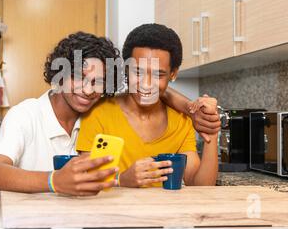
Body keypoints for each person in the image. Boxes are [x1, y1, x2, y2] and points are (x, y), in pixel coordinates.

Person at [0, 31, 219, 228]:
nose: (87, 89)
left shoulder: (92, 116)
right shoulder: (26, 114)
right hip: (6, 224)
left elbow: (152, 88)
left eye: (98, 81)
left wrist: (190, 108)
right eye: (78, 77)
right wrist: (55, 181)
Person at [76, 24, 219, 188]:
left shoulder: (181, 120)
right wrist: (122, 180)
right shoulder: (99, 112)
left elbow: (200, 186)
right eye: (138, 72)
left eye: (159, 74)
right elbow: (86, 177)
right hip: (112, 212)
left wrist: (211, 131)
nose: (146, 84)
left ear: (173, 74)